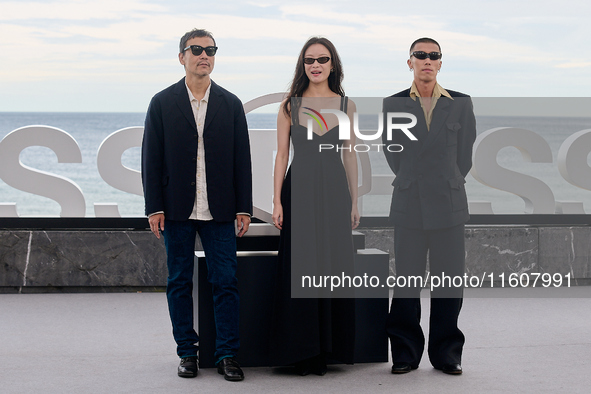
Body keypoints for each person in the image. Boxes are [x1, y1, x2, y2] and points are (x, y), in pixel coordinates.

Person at [141, 28, 252, 382]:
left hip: (220, 209)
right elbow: (151, 159)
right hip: (175, 209)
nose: (205, 55)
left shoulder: (231, 104)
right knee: (178, 281)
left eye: (211, 50)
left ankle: (226, 354)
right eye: (197, 49)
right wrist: (153, 206)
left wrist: (244, 207)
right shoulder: (162, 102)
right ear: (182, 57)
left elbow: (242, 160)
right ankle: (187, 352)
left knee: (226, 282)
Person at [382, 37, 476, 375]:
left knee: (449, 282)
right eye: (420, 55)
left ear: (440, 63)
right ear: (409, 62)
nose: (427, 60)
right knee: (406, 281)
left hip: (449, 203)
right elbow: (391, 152)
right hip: (410, 201)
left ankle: (446, 353)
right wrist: (415, 179)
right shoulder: (393, 104)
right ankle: (405, 354)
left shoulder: (461, 103)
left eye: (433, 56)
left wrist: (446, 180)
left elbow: (464, 156)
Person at [270, 36, 359, 376]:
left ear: (332, 64)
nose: (316, 65)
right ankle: (302, 349)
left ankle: (329, 347)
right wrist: (276, 200)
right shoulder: (289, 104)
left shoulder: (347, 104)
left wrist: (354, 199)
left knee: (333, 264)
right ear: (303, 65)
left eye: (322, 59)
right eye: (310, 60)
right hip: (300, 190)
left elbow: (350, 154)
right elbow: (281, 155)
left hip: (335, 191)